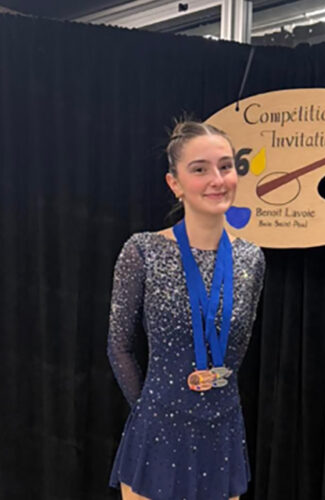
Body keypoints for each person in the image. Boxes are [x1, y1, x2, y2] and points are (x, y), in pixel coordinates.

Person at [107, 120, 265, 500]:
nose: (217, 179)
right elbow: (119, 345)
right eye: (200, 169)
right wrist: (149, 409)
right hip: (158, 431)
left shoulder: (251, 258)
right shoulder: (143, 251)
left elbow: (236, 350)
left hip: (222, 430)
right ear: (174, 183)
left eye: (225, 166)